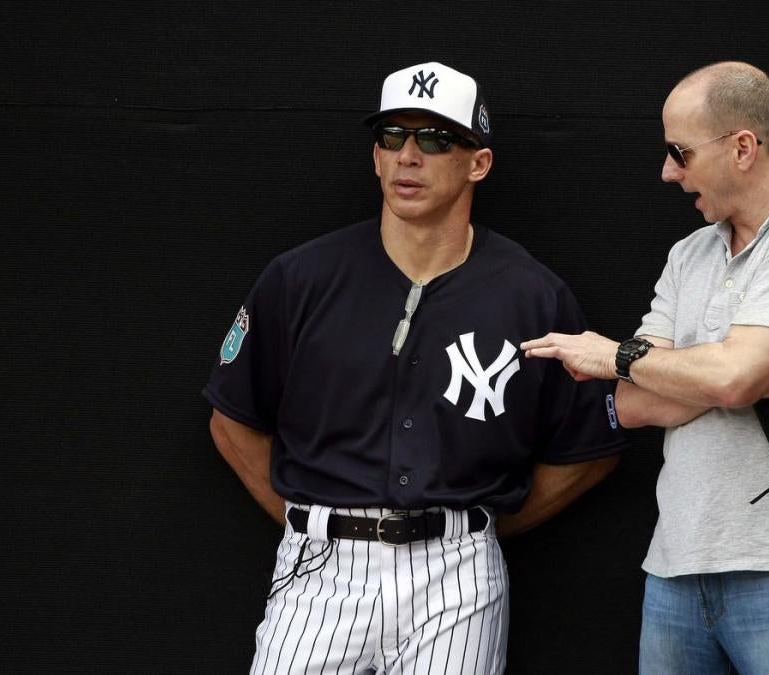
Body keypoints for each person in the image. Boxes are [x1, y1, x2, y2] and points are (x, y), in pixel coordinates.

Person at [203, 61, 625, 675]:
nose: (408, 156)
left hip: (457, 576)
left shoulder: (532, 296)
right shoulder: (300, 278)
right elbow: (230, 421)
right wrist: (312, 521)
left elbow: (591, 447)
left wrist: (473, 529)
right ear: (375, 157)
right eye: (392, 137)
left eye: (434, 139)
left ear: (477, 162)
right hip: (318, 568)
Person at [521, 62, 769, 673]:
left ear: (743, 147)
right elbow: (632, 405)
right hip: (675, 568)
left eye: (679, 153)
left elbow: (722, 376)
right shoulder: (690, 252)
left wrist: (622, 356)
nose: (668, 172)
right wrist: (754, 376)